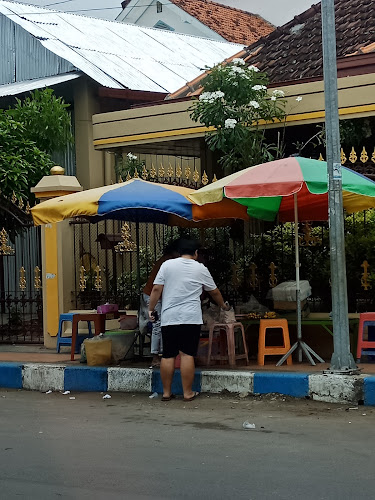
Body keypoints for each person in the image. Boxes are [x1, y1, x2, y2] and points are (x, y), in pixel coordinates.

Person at [148, 238, 229, 402]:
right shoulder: (200, 268)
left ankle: (166, 393)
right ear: (196, 253)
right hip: (190, 318)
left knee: (168, 355)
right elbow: (214, 292)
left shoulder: (167, 265)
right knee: (187, 355)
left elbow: (156, 288)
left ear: (179, 252)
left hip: (169, 318)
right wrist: (223, 306)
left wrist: (151, 309)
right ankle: (187, 393)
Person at [142, 240, 180, 367]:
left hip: (156, 295)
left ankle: (164, 354)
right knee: (158, 325)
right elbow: (157, 287)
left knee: (163, 324)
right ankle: (155, 356)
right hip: (153, 295)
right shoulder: (167, 262)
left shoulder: (166, 260)